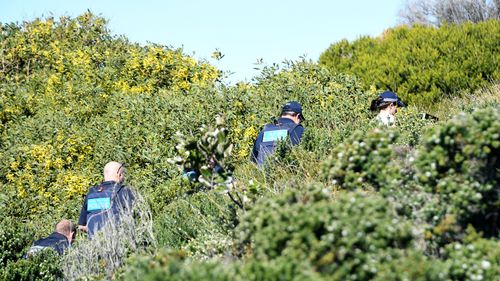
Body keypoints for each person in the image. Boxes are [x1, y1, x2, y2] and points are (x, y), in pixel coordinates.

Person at [78, 161, 135, 238]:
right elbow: (135, 217)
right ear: (120, 174)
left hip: (94, 244)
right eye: (123, 174)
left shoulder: (91, 193)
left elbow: (81, 226)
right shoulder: (124, 191)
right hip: (116, 243)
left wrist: (95, 231)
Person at [251, 101, 305, 166]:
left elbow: (253, 159)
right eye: (300, 120)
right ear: (298, 116)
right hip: (285, 173)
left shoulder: (265, 130)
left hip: (262, 174)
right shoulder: (297, 129)